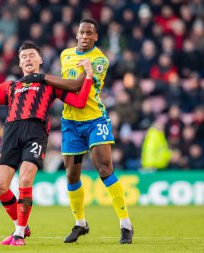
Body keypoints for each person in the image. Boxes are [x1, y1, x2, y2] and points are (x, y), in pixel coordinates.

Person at [0, 41, 93, 246]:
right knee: (0, 186)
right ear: (20, 63)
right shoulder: (10, 87)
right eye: (24, 57)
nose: (28, 59)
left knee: (25, 181)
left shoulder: (50, 84)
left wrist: (89, 76)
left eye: (31, 55)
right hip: (11, 133)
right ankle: (20, 225)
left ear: (40, 60)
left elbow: (80, 102)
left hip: (35, 133)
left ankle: (19, 233)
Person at [21, 18, 134, 244]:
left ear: (95, 37)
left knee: (104, 169)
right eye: (82, 32)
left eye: (89, 33)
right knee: (71, 175)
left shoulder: (100, 60)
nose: (84, 36)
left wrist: (42, 77)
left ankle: (125, 224)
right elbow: (65, 86)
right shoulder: (66, 55)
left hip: (94, 119)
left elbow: (76, 86)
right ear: (77, 34)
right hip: (70, 122)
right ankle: (80, 224)